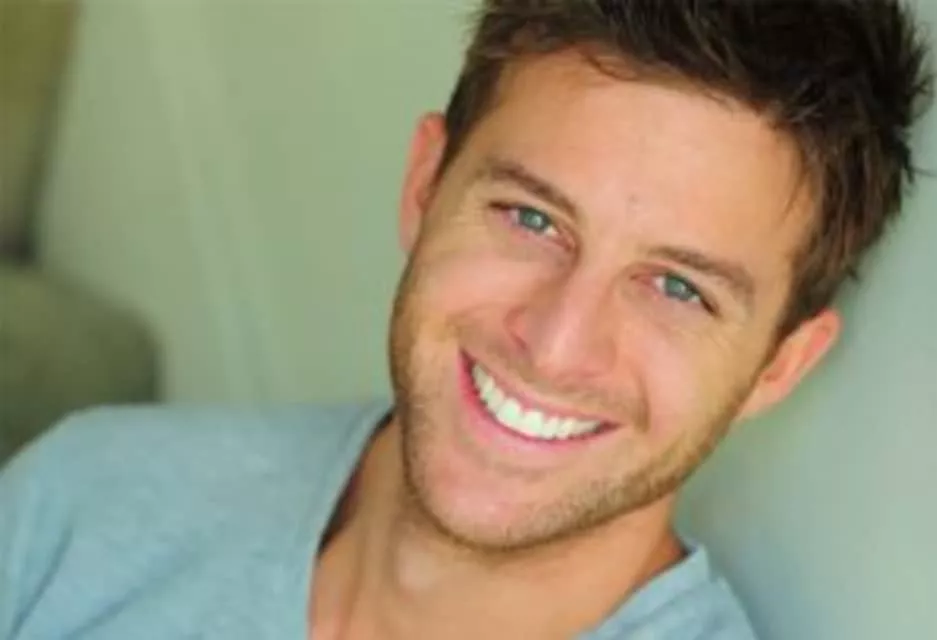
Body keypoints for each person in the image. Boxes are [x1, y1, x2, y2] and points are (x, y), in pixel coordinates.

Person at [1, 1, 933, 638]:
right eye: (532, 218)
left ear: (778, 366)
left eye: (678, 288)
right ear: (424, 185)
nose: (555, 345)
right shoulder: (86, 496)